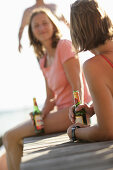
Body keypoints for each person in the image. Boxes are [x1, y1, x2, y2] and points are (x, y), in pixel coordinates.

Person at [2, 7, 91, 170]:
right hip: (60, 112)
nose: (41, 28)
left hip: (72, 113)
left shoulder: (64, 45)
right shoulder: (42, 60)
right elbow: (50, 97)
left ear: (53, 24)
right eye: (36, 25)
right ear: (32, 32)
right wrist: (40, 114)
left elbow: (77, 87)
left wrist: (80, 119)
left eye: (45, 23)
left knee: (10, 136)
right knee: (11, 140)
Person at [67, 0, 113, 142]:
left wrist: (75, 131)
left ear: (77, 31)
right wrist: (93, 108)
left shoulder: (94, 66)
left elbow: (107, 131)